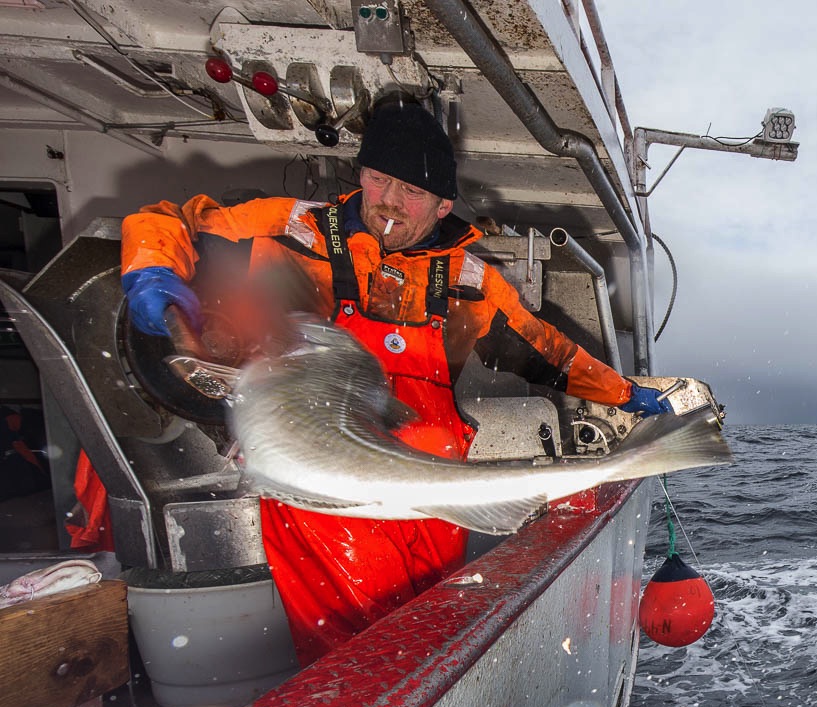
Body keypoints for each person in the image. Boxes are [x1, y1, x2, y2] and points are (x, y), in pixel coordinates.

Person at [120, 100, 669, 665]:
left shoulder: (469, 281)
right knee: (354, 658)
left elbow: (548, 352)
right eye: (379, 179)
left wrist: (627, 395)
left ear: (442, 204)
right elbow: (168, 221)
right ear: (360, 175)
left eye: (411, 192)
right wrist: (152, 270)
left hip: (430, 499)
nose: (388, 201)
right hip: (325, 497)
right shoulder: (288, 230)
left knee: (434, 641)